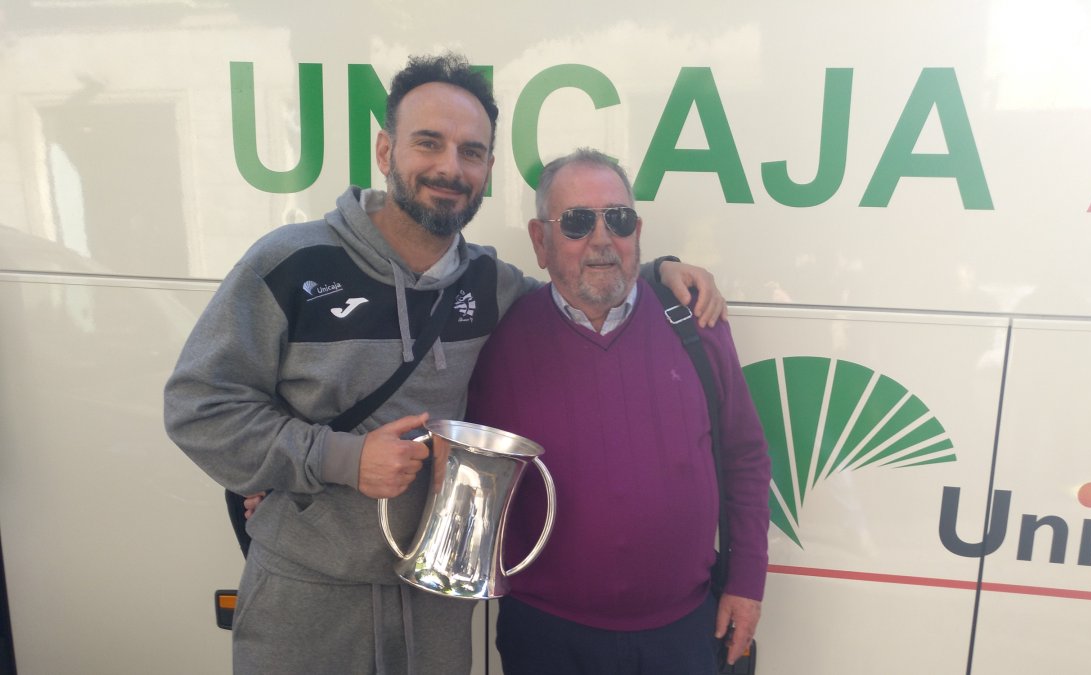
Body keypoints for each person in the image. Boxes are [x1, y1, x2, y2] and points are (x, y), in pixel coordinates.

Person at [163, 54, 724, 675]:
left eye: (472, 151)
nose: (450, 167)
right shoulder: (291, 262)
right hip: (308, 593)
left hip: (437, 602)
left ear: (487, 169)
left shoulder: (489, 283)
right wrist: (339, 458)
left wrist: (658, 272)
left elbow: (581, 283)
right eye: (428, 143)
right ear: (385, 150)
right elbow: (198, 408)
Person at [466, 148, 771, 675]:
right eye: (578, 222)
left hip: (685, 633)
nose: (603, 239)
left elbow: (745, 458)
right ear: (541, 241)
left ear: (638, 232)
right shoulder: (498, 341)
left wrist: (745, 583)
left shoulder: (697, 326)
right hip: (546, 637)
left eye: (619, 220)